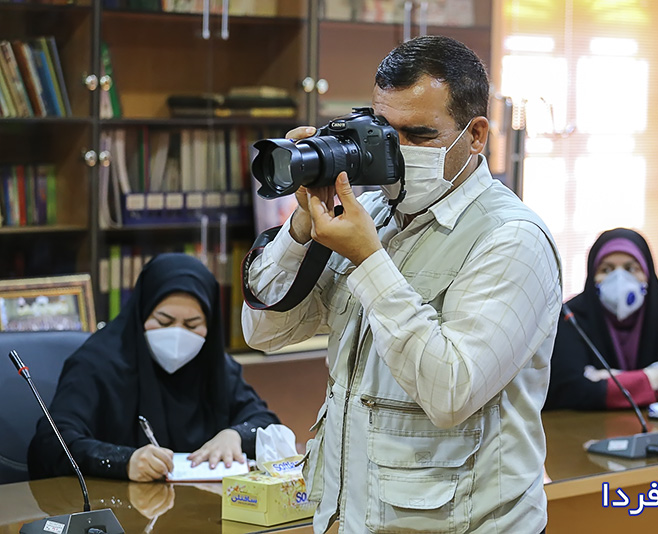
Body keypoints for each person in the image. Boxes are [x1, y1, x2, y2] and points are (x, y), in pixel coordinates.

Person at [242, 36, 561, 534]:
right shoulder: (367, 214)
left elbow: (451, 392)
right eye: (383, 131)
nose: (396, 151)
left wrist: (369, 260)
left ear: (476, 135)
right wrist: (300, 227)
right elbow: (264, 331)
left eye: (419, 134)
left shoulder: (512, 239)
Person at [28, 253, 280, 482]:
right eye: (163, 321)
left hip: (199, 505)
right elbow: (51, 442)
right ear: (142, 313)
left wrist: (236, 435)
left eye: (192, 325)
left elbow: (267, 424)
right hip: (116, 507)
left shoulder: (214, 366)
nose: (177, 334)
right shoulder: (97, 364)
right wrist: (124, 461)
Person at [545, 228, 658, 411]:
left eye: (631, 269)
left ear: (647, 275)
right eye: (606, 269)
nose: (619, 278)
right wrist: (657, 377)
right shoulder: (571, 317)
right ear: (592, 277)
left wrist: (621, 384)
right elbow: (570, 391)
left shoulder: (656, 319)